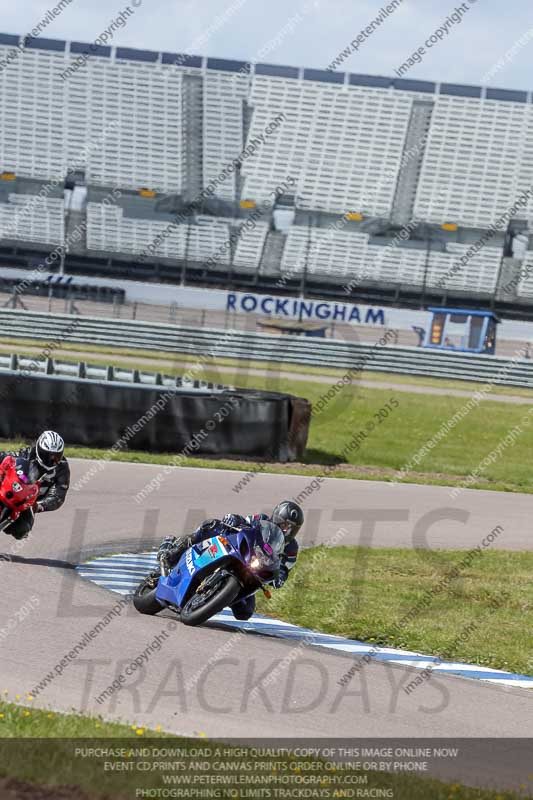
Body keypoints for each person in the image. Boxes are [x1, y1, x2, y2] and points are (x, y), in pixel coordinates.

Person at [157, 500, 304, 620]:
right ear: (276, 517)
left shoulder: (291, 548)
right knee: (212, 525)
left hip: (254, 572)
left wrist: (280, 577)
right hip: (239, 553)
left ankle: (214, 599)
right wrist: (234, 519)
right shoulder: (261, 520)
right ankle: (174, 549)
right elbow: (245, 523)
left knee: (245, 613)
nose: (287, 530)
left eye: (292, 528)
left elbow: (285, 568)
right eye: (285, 524)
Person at [0, 431, 70, 540]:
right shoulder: (28, 454)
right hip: (9, 488)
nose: (52, 460)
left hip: (28, 503)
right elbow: (7, 457)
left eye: (57, 456)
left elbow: (58, 497)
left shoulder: (62, 469)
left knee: (22, 529)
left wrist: (38, 505)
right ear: (39, 450)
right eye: (48, 455)